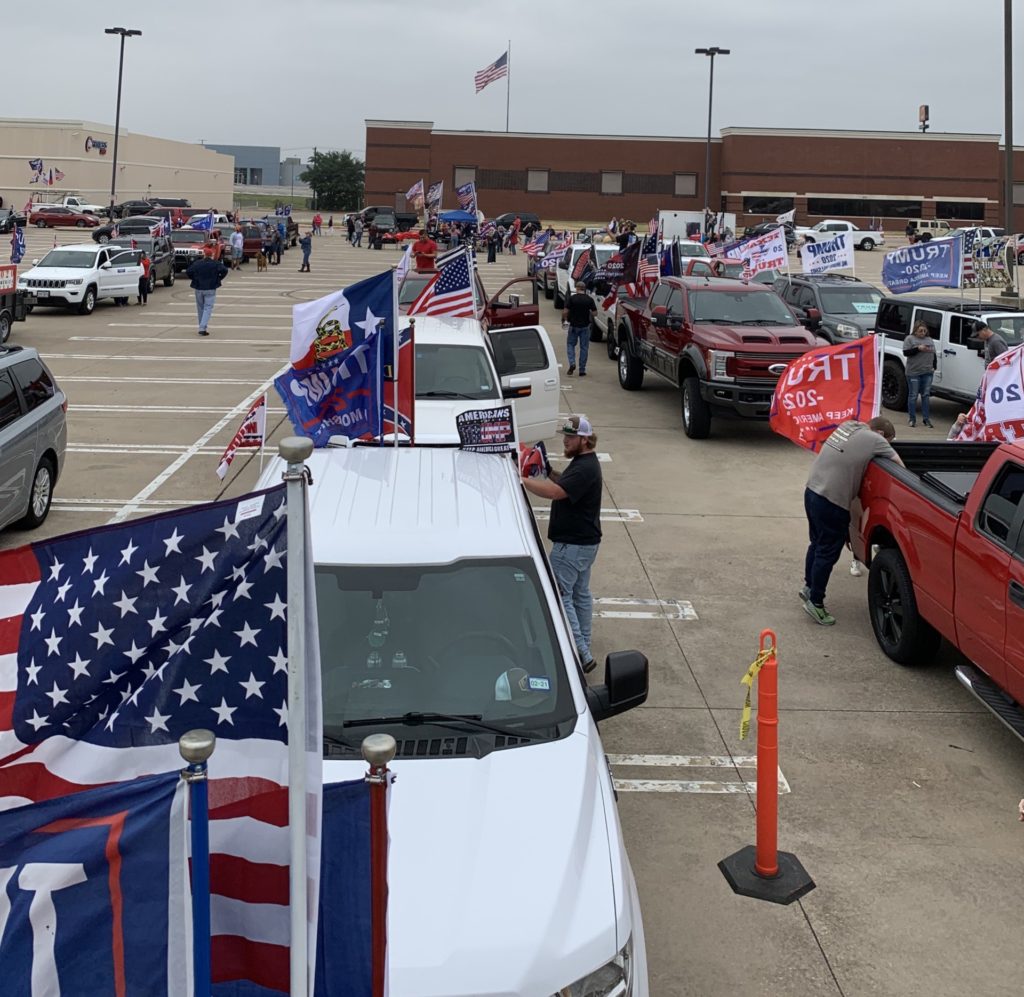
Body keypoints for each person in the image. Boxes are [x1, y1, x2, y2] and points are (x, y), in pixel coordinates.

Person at [520, 415, 603, 672]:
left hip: (571, 547)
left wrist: (520, 480)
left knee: (561, 596)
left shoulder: (584, 467)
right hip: (584, 544)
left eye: (570, 437)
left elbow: (557, 493)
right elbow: (564, 484)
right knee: (580, 595)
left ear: (585, 440)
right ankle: (584, 645)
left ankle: (581, 653)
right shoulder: (583, 463)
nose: (565, 441)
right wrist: (549, 471)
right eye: (565, 436)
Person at [802, 417, 903, 625]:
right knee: (828, 550)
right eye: (888, 441)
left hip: (812, 490)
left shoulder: (848, 426)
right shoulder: (877, 440)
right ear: (882, 435)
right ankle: (816, 602)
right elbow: (900, 467)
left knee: (817, 543)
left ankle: (809, 587)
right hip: (832, 500)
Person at [186, 253, 229, 337]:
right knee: (208, 308)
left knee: (200, 308)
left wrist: (195, 279)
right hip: (210, 288)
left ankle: (202, 327)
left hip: (198, 288)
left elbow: (189, 271)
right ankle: (202, 328)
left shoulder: (197, 263)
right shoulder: (215, 263)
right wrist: (218, 278)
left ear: (204, 255)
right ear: (211, 255)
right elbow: (225, 270)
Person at [903, 321, 936, 427]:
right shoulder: (910, 339)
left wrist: (934, 366)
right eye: (920, 331)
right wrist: (917, 348)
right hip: (914, 372)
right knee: (913, 395)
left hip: (927, 372)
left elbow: (933, 354)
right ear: (915, 331)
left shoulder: (929, 340)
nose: (923, 333)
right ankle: (912, 419)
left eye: (924, 331)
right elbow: (906, 352)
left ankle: (926, 419)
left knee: (926, 395)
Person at [562, 280, 597, 377]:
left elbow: (565, 311)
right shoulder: (589, 300)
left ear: (577, 288)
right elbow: (595, 313)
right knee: (584, 348)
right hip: (585, 327)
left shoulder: (572, 299)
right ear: (584, 289)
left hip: (573, 326)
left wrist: (565, 320)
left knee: (570, 345)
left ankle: (572, 363)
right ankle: (582, 370)